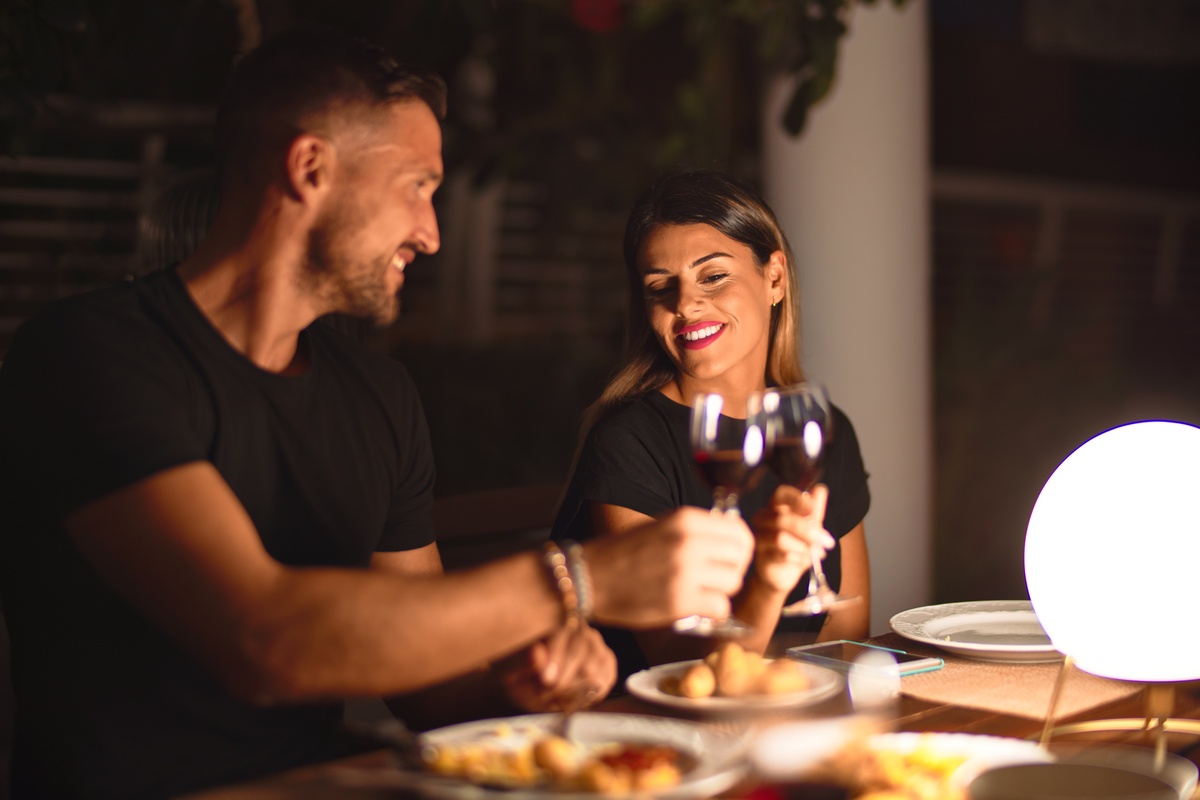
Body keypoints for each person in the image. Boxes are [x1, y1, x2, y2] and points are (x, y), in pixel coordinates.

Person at [0, 29, 756, 800]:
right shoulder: (90, 355)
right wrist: (580, 579)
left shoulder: (379, 397)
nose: (430, 234)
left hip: (338, 780)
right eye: (419, 187)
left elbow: (429, 687)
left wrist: (516, 688)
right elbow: (263, 639)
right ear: (310, 169)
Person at [553, 169, 871, 681]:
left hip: (783, 727)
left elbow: (847, 632)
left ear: (775, 278)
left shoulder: (818, 428)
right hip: (654, 738)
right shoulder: (629, 441)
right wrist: (769, 581)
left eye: (713, 275)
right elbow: (684, 673)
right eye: (661, 287)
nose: (685, 304)